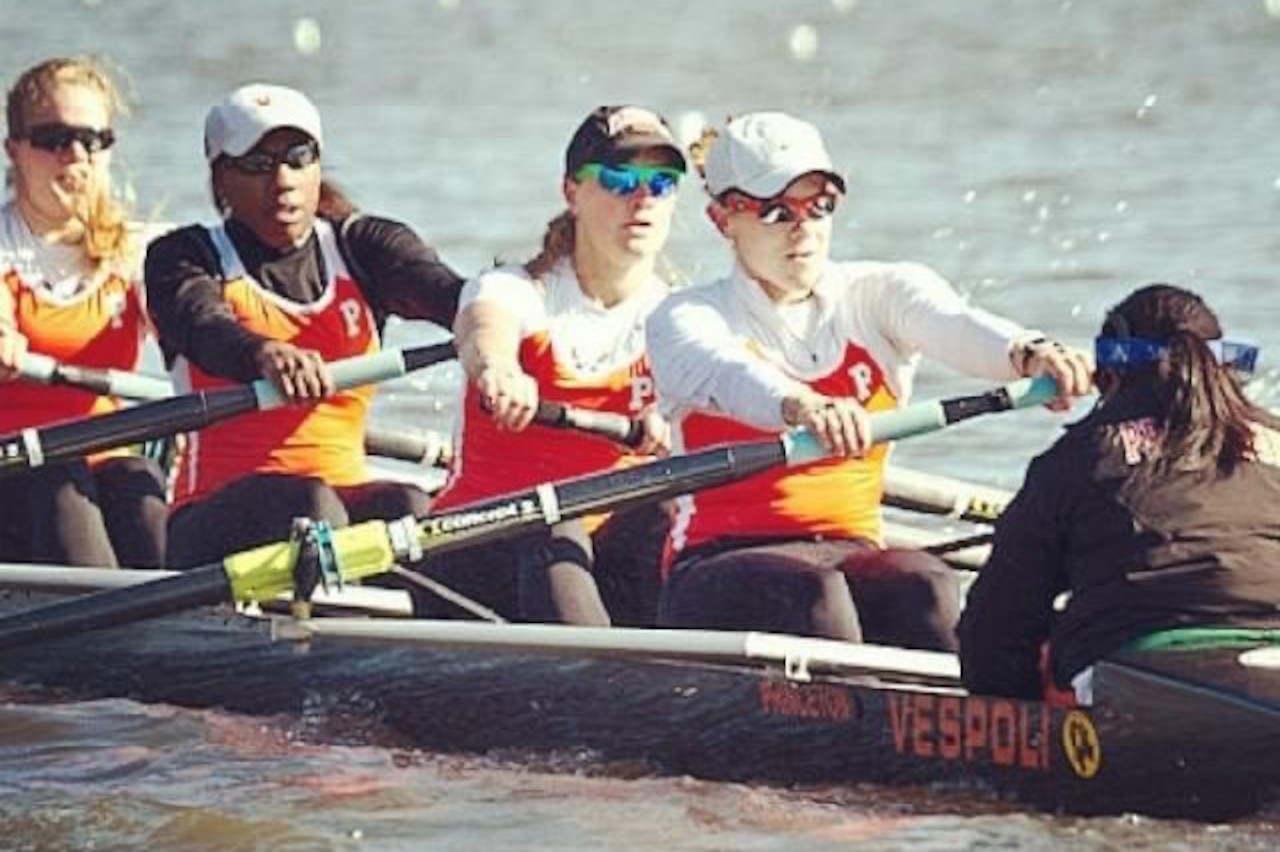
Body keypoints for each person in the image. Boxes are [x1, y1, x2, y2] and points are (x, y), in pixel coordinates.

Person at [646, 111, 1093, 651]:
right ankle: (867, 728)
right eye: (775, 211)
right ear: (723, 220)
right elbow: (729, 372)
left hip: (849, 546)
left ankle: (972, 718)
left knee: (924, 582)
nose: (803, 227)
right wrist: (803, 407)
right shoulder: (686, 317)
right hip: (714, 565)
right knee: (815, 592)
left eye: (820, 206)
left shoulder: (879, 293)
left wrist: (1030, 353)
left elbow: (955, 324)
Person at [144, 83, 464, 569]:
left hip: (338, 500)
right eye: (257, 164)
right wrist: (264, 354)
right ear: (221, 179)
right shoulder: (184, 258)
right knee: (311, 505)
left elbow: (447, 292)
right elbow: (205, 327)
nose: (283, 179)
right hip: (209, 521)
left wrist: (497, 319)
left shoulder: (362, 247)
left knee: (412, 509)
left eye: (298, 157)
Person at [419, 105, 684, 626]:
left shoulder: (681, 318)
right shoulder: (515, 290)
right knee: (555, 524)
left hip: (599, 555)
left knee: (674, 517)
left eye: (661, 182)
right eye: (618, 178)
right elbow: (482, 330)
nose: (642, 198)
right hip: (476, 545)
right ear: (571, 192)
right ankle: (603, 687)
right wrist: (499, 370)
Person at [960, 284, 1280, 704]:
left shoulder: (1080, 456)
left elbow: (995, 631)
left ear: (1111, 371)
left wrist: (1019, 722)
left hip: (1141, 670)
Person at [0, 56, 166, 569]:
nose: (74, 155)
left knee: (142, 493)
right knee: (59, 486)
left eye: (92, 140)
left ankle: (190, 638)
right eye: (53, 138)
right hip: (14, 465)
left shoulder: (142, 252)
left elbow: (193, 334)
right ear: (15, 150)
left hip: (108, 456)